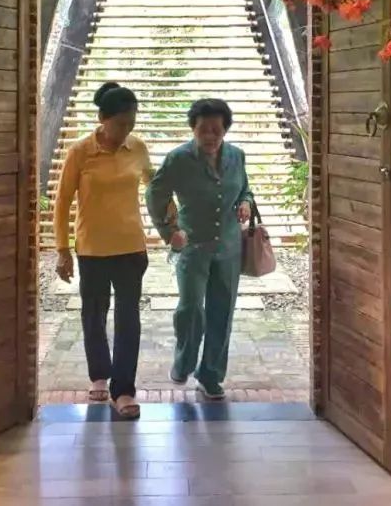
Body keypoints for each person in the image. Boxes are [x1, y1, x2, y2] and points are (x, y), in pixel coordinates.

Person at [53, 82, 152, 418]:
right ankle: (99, 374)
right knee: (94, 313)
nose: (126, 130)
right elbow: (62, 202)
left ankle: (123, 390)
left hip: (131, 247)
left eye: (131, 123)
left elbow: (154, 187)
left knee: (128, 319)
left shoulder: (138, 147)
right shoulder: (80, 152)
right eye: (121, 123)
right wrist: (62, 249)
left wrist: (171, 220)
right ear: (102, 119)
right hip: (92, 249)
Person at [146, 98, 254, 400]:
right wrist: (169, 231)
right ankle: (184, 362)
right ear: (193, 129)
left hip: (229, 248)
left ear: (225, 130)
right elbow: (155, 193)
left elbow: (245, 189)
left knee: (222, 312)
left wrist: (246, 202)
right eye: (203, 129)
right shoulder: (178, 159)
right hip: (193, 248)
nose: (210, 136)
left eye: (216, 130)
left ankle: (210, 376)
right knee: (191, 309)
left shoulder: (236, 156)